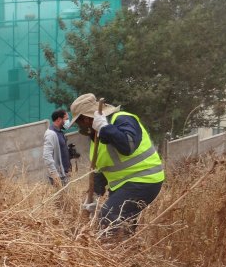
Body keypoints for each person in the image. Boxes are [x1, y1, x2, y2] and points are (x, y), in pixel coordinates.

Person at [68, 93, 164, 237]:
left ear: (86, 118)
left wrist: (105, 128)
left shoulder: (123, 119)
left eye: (79, 121)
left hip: (144, 179)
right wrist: (94, 196)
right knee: (123, 225)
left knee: (109, 216)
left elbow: (128, 146)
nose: (78, 126)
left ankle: (109, 255)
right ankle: (126, 253)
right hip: (124, 185)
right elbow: (101, 171)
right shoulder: (96, 137)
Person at [43, 108, 71, 187]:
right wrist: (54, 174)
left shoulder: (60, 132)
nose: (68, 122)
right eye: (66, 119)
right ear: (59, 119)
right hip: (58, 177)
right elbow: (46, 155)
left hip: (64, 174)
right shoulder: (51, 134)